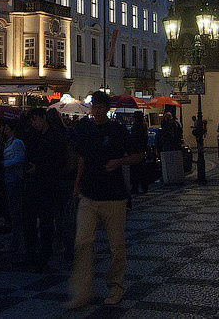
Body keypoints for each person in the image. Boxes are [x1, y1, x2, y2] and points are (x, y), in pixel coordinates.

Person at [67, 91, 144, 309]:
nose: (97, 111)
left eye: (101, 107)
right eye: (95, 107)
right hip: (89, 195)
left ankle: (116, 287)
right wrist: (77, 184)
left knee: (116, 247)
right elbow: (82, 158)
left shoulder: (117, 130)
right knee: (82, 242)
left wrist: (120, 161)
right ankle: (82, 292)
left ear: (107, 109)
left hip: (114, 197)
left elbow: (138, 155)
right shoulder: (85, 129)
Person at [23, 107, 63, 271]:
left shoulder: (54, 136)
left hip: (47, 185)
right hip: (33, 184)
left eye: (35, 119)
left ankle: (44, 254)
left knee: (46, 220)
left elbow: (57, 161)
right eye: (31, 120)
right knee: (29, 220)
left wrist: (39, 168)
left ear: (43, 118)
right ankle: (32, 253)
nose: (33, 123)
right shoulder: (33, 135)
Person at [47, 108, 77, 264]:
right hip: (69, 178)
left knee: (57, 213)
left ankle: (58, 243)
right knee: (68, 214)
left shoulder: (51, 135)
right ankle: (69, 247)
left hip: (56, 178)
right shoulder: (69, 133)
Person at [1, 117, 26, 263]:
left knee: (16, 212)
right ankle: (16, 241)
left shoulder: (16, 142)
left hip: (15, 180)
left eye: (5, 128)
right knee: (13, 212)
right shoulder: (7, 142)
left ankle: (17, 242)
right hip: (9, 179)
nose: (4, 130)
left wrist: (4, 163)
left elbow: (20, 158)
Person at [129, 112, 148, 195]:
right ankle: (143, 186)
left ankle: (136, 187)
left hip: (136, 150)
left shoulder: (137, 126)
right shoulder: (143, 125)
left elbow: (134, 138)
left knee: (136, 170)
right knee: (141, 170)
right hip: (141, 150)